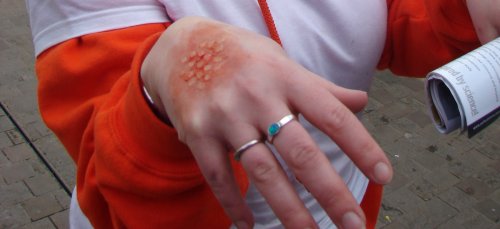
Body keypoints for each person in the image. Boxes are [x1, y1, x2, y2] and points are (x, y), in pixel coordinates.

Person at [25, 0, 497, 228]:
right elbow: (111, 167)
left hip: (346, 208)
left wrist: (461, 8)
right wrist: (160, 93)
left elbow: (388, 23)